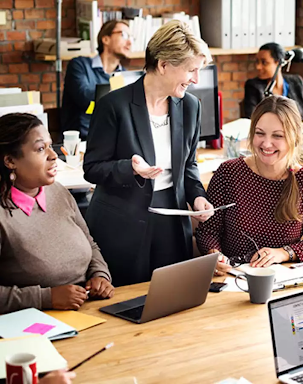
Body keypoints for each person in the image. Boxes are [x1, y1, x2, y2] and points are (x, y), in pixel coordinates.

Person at [84, 20, 214, 287]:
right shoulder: (113, 105)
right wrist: (129, 168)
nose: (196, 79)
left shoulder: (190, 106)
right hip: (122, 221)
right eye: (191, 70)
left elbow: (189, 165)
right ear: (164, 64)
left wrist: (198, 197)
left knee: (171, 297)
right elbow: (93, 167)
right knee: (123, 303)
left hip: (171, 218)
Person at [196, 96, 303, 275]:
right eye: (260, 133)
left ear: (294, 138)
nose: (266, 144)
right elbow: (207, 232)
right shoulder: (228, 173)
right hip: (231, 277)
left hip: (281, 279)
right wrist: (214, 255)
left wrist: (284, 253)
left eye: (278, 136)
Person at [0, 113, 113, 315]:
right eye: (40, 149)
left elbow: (90, 244)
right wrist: (46, 298)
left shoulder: (58, 192)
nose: (53, 156)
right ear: (10, 161)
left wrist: (100, 275)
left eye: (50, 146)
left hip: (88, 311)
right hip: (34, 322)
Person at [61, 20, 131, 139]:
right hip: (81, 140)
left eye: (131, 37)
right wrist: (121, 93)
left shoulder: (125, 75)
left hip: (112, 139)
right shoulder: (79, 65)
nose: (129, 42)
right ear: (106, 39)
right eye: (123, 35)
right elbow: (84, 98)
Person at [243, 42, 303, 121]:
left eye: (264, 62)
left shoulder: (296, 81)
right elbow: (252, 119)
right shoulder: (253, 86)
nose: (258, 67)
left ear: (279, 63)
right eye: (257, 62)